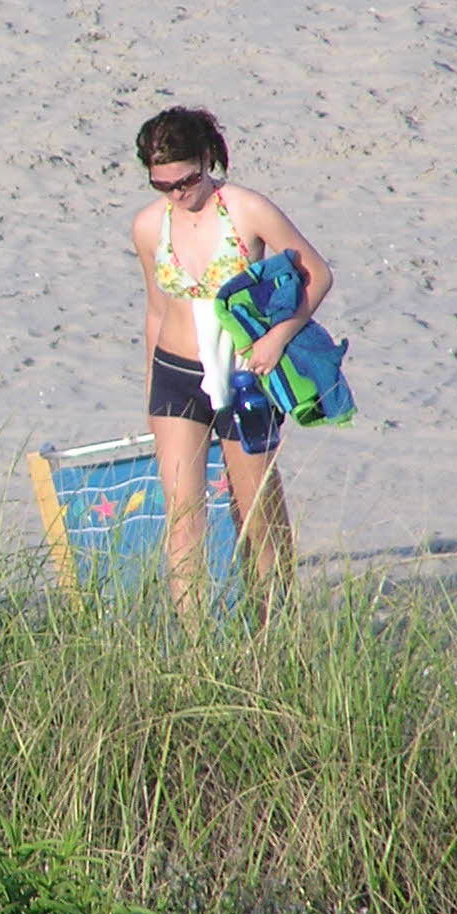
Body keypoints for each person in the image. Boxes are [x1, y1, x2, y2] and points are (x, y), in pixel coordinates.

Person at [129, 106, 333, 619]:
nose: (177, 194)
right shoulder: (149, 226)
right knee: (182, 517)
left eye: (187, 180)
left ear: (206, 158)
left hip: (247, 374)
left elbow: (318, 274)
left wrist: (279, 338)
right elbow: (156, 309)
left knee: (256, 511)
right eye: (163, 185)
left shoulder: (246, 209)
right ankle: (195, 650)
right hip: (177, 374)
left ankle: (272, 630)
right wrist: (151, 391)